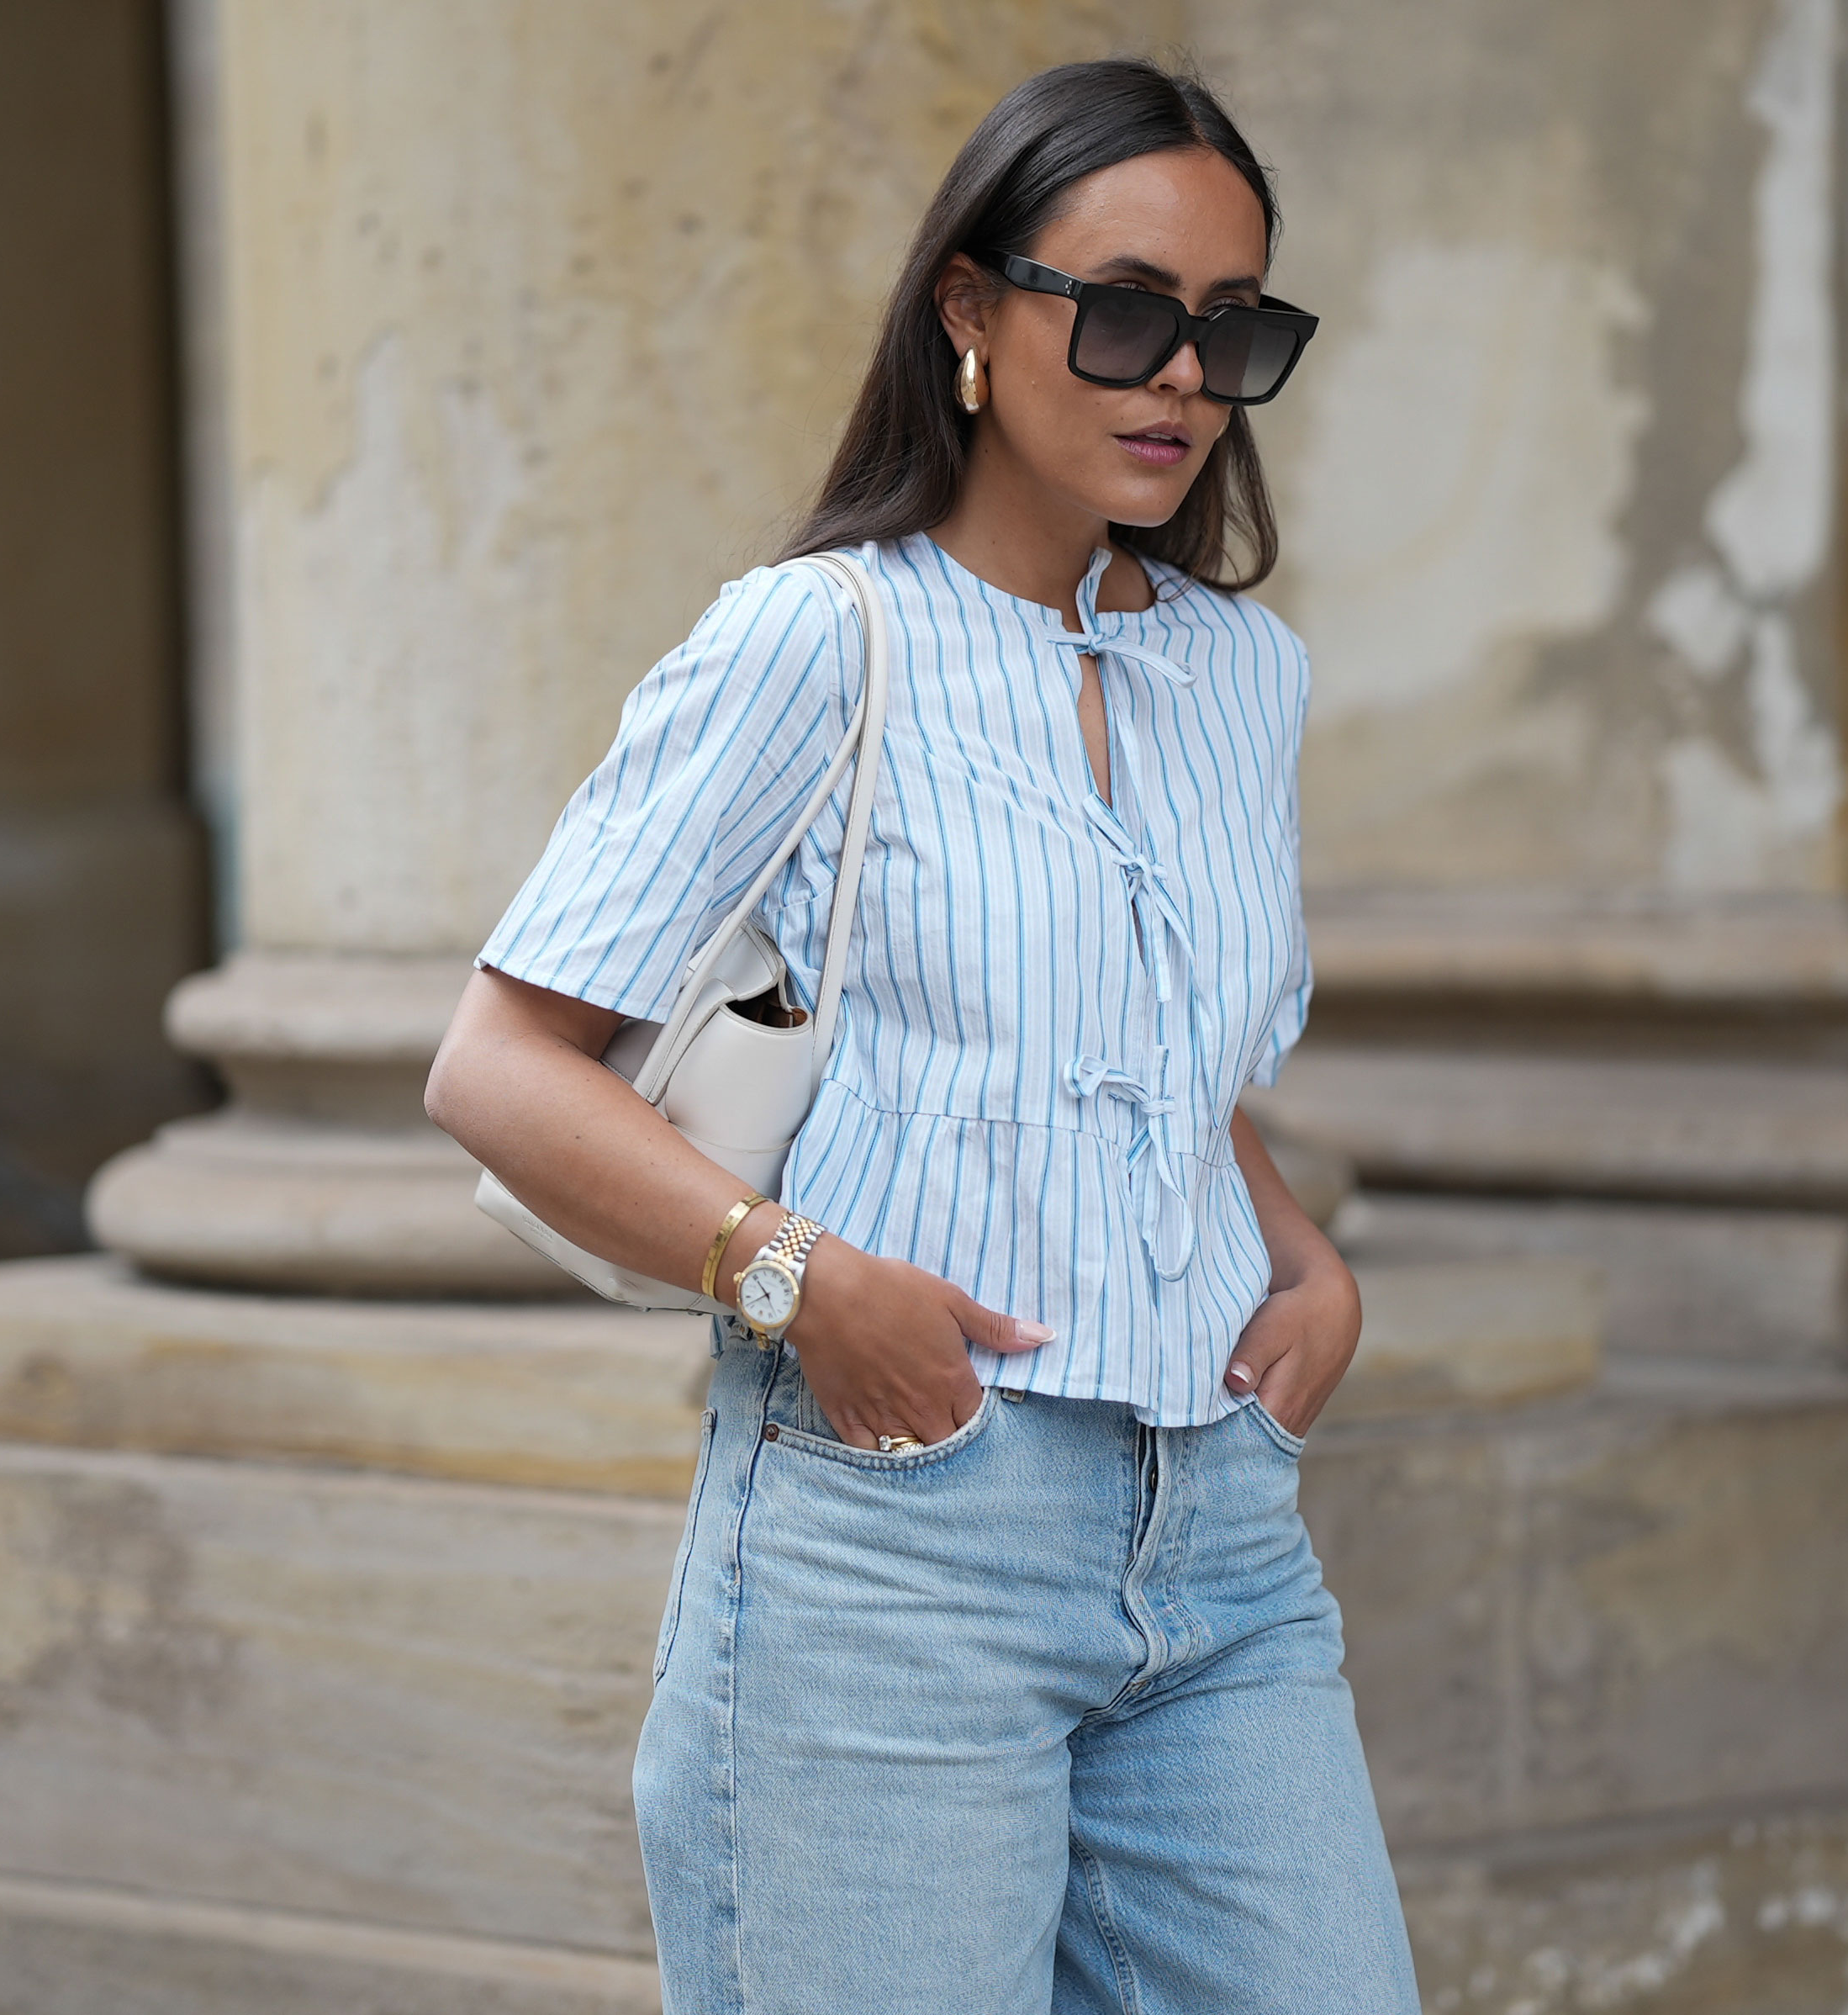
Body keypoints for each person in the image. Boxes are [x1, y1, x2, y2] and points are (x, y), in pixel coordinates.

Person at [425, 56, 1416, 2015]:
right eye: (1123, 311)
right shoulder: (813, 640)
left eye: (1233, 330)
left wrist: (1297, 1250)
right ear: (970, 311)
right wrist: (800, 1277)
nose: (1178, 378)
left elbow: (1158, 1054)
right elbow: (495, 1065)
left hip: (1215, 1533)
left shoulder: (1240, 672)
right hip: (897, 1537)